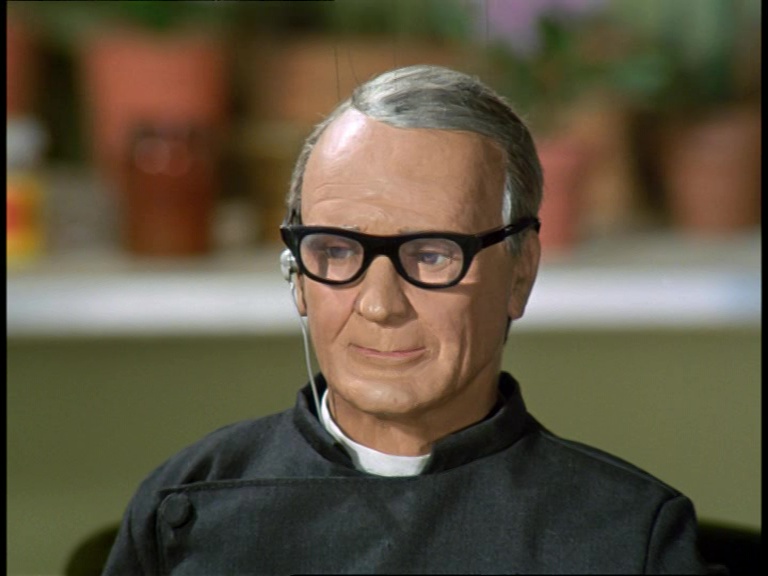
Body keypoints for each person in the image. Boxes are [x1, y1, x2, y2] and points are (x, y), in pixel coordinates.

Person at [103, 65, 720, 575]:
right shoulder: (183, 505)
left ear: (520, 272)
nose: (379, 304)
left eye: (430, 254)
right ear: (298, 277)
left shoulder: (627, 538)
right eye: (337, 250)